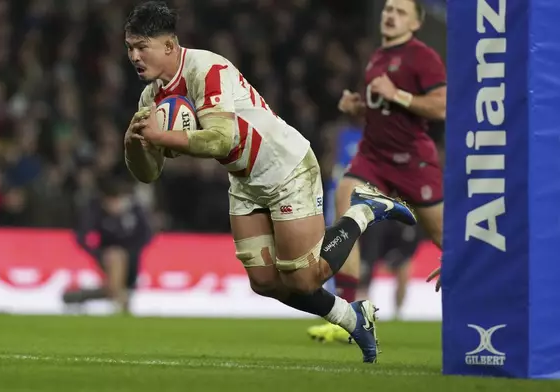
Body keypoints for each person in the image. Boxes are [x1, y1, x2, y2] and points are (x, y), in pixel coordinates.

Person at [123, 1, 418, 363]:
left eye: (142, 47)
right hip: (245, 178)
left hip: (284, 166)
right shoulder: (151, 97)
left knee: (306, 280)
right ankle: (353, 317)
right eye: (130, 48)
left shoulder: (206, 69)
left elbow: (220, 139)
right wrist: (133, 144)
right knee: (263, 282)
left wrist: (161, 138)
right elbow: (149, 173)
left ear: (168, 45)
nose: (134, 56)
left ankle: (364, 211)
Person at [306, 0, 447, 340]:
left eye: (399, 12)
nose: (390, 15)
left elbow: (441, 106)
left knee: (447, 239)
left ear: (414, 24)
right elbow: (382, 111)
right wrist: (359, 106)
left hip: (411, 158)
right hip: (373, 155)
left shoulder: (422, 57)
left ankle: (490, 291)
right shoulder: (378, 58)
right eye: (387, 9)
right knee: (344, 200)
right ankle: (347, 315)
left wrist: (396, 93)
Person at [63, 179, 152, 313]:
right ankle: (121, 302)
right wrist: (97, 253)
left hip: (132, 257)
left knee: (115, 281)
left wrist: (133, 252)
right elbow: (82, 235)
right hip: (109, 255)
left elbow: (146, 234)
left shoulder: (135, 211)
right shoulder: (96, 210)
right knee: (115, 256)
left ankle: (80, 296)